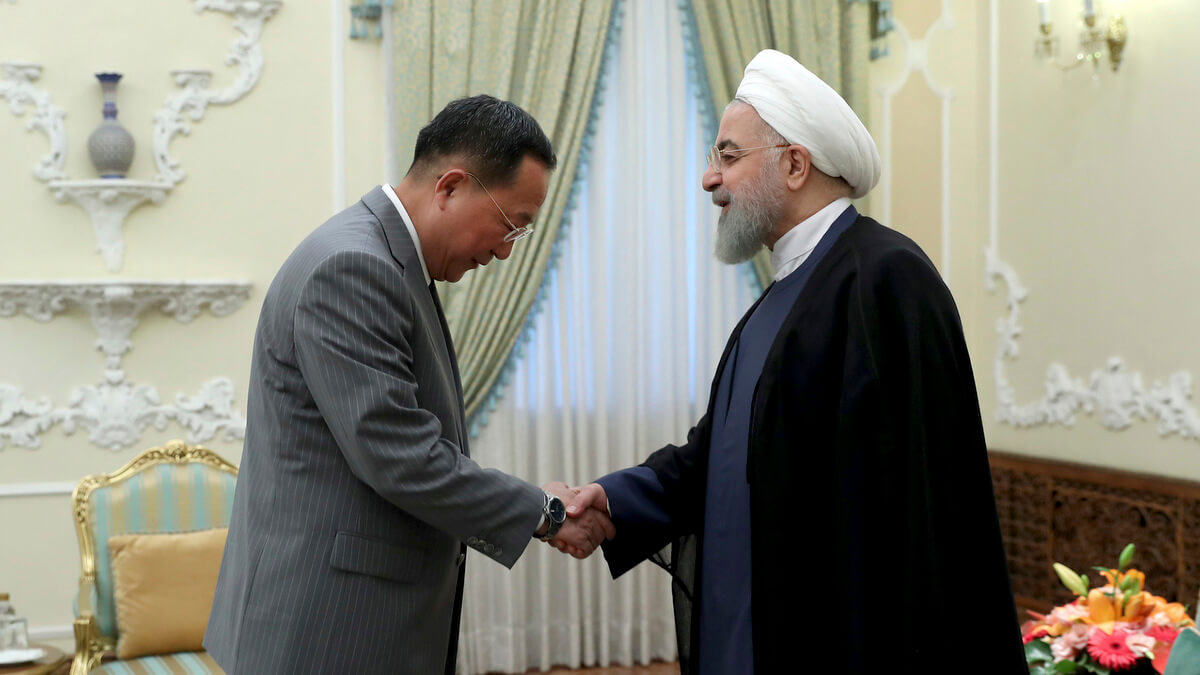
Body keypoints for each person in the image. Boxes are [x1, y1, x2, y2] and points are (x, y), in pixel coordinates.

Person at [559, 50, 1027, 673]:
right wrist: (612, 502)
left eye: (727, 157)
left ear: (796, 164)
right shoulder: (781, 295)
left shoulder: (887, 279)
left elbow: (921, 513)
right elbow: (716, 461)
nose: (708, 179)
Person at [204, 95, 614, 675]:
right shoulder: (353, 267)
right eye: (509, 226)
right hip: (326, 629)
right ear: (450, 186)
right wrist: (544, 513)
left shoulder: (383, 258)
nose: (503, 251)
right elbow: (400, 456)